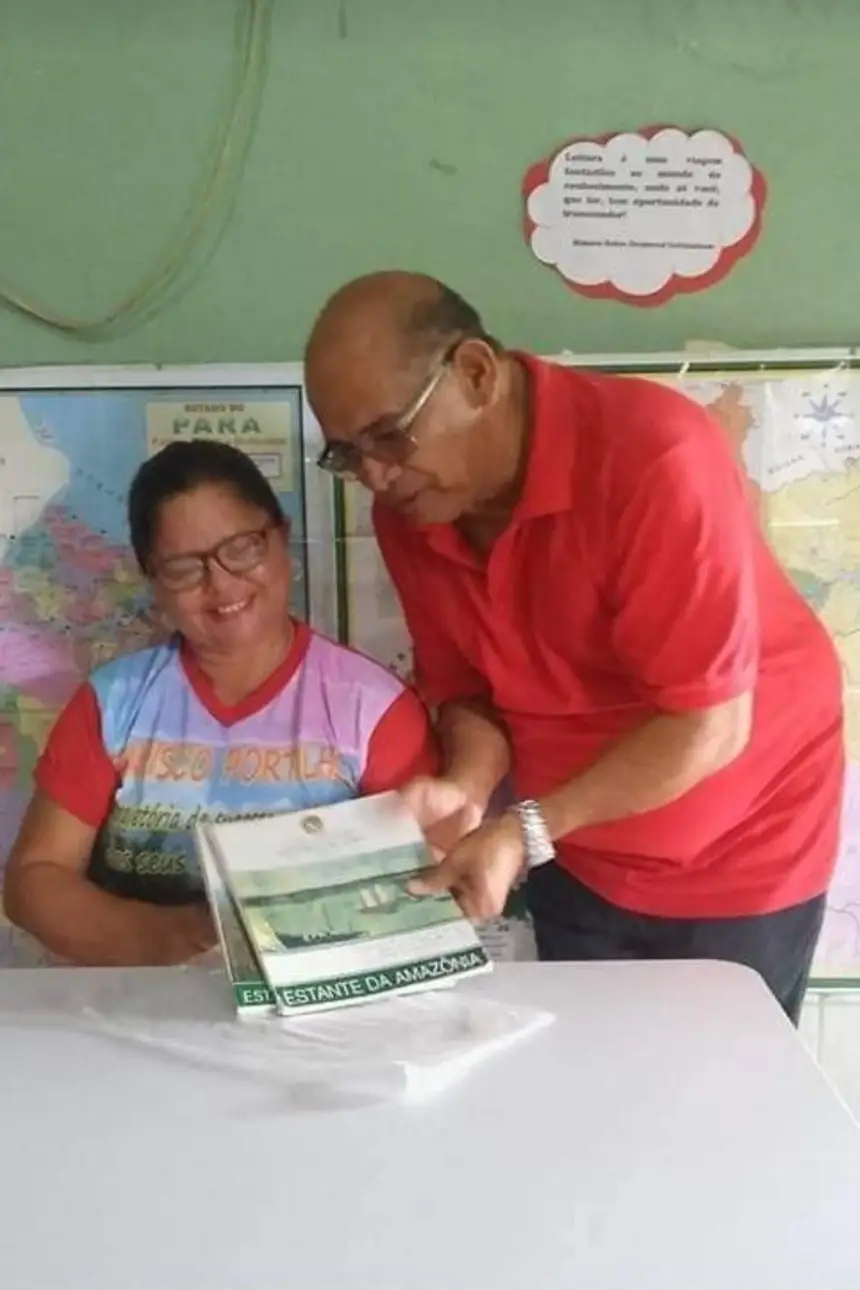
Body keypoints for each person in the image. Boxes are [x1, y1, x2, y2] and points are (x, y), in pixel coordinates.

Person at [304, 270, 846, 1024]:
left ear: (475, 373)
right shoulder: (414, 511)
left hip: (742, 852)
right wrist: (467, 789)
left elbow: (709, 725)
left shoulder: (653, 456)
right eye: (346, 455)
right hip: (572, 848)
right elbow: (469, 689)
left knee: (719, 1087)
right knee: (588, 1078)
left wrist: (525, 829)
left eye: (389, 436)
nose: (376, 476)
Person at [3, 439, 438, 967]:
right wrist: (186, 936)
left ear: (282, 539)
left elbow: (424, 884)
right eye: (184, 568)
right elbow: (35, 880)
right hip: (139, 995)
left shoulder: (373, 707)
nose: (222, 583)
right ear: (153, 580)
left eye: (242, 548)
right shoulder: (112, 702)